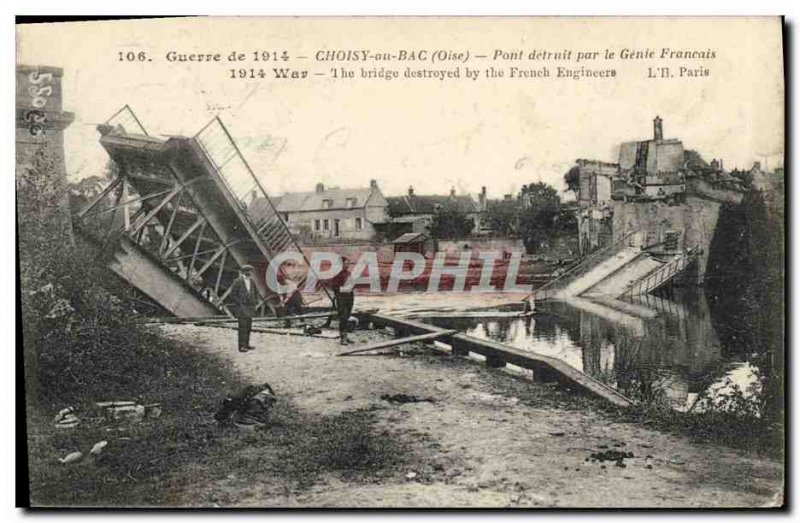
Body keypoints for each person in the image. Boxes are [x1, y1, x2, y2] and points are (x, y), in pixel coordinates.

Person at [230, 265, 258, 353]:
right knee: (242, 327)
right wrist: (239, 303)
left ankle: (246, 344)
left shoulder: (252, 281)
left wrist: (255, 302)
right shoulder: (237, 281)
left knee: (248, 326)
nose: (250, 273)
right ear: (243, 272)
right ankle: (241, 346)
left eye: (251, 271)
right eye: (248, 271)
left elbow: (255, 292)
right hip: (241, 308)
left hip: (250, 308)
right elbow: (233, 294)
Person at [328, 257, 354, 345]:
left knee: (347, 317)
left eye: (348, 264)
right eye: (345, 264)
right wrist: (344, 289)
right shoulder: (336, 275)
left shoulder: (349, 274)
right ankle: (343, 338)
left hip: (350, 298)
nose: (347, 265)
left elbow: (353, 285)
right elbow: (334, 288)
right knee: (343, 317)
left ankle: (346, 336)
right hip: (341, 299)